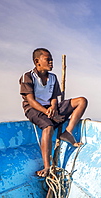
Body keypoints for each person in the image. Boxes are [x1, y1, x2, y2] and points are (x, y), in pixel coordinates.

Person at [19, 48, 88, 177]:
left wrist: (53, 107)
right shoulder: (27, 77)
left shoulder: (53, 77)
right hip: (34, 109)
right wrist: (46, 111)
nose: (51, 62)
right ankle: (47, 167)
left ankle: (67, 133)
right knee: (48, 126)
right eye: (48, 59)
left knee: (81, 101)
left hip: (50, 108)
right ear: (37, 61)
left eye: (52, 59)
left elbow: (54, 97)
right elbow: (31, 100)